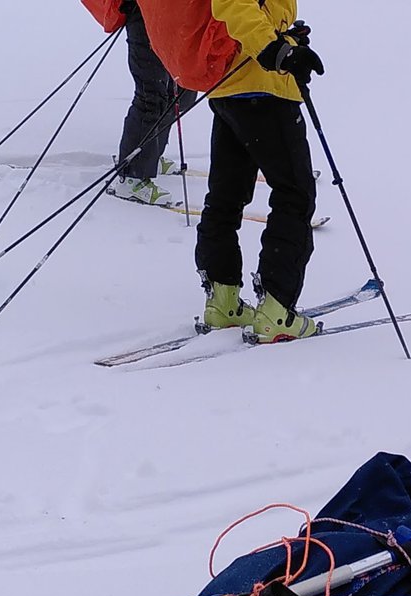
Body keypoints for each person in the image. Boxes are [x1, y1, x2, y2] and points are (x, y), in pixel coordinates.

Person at [192, 8, 325, 343]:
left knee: (226, 194)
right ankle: (277, 311)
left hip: (229, 87)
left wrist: (286, 39)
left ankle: (223, 303)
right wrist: (278, 51)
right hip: (263, 88)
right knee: (294, 193)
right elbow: (235, 4)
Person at [111, 1, 197, 207]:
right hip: (146, 17)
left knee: (178, 92)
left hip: (173, 19)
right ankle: (132, 178)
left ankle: (151, 156)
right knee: (151, 96)